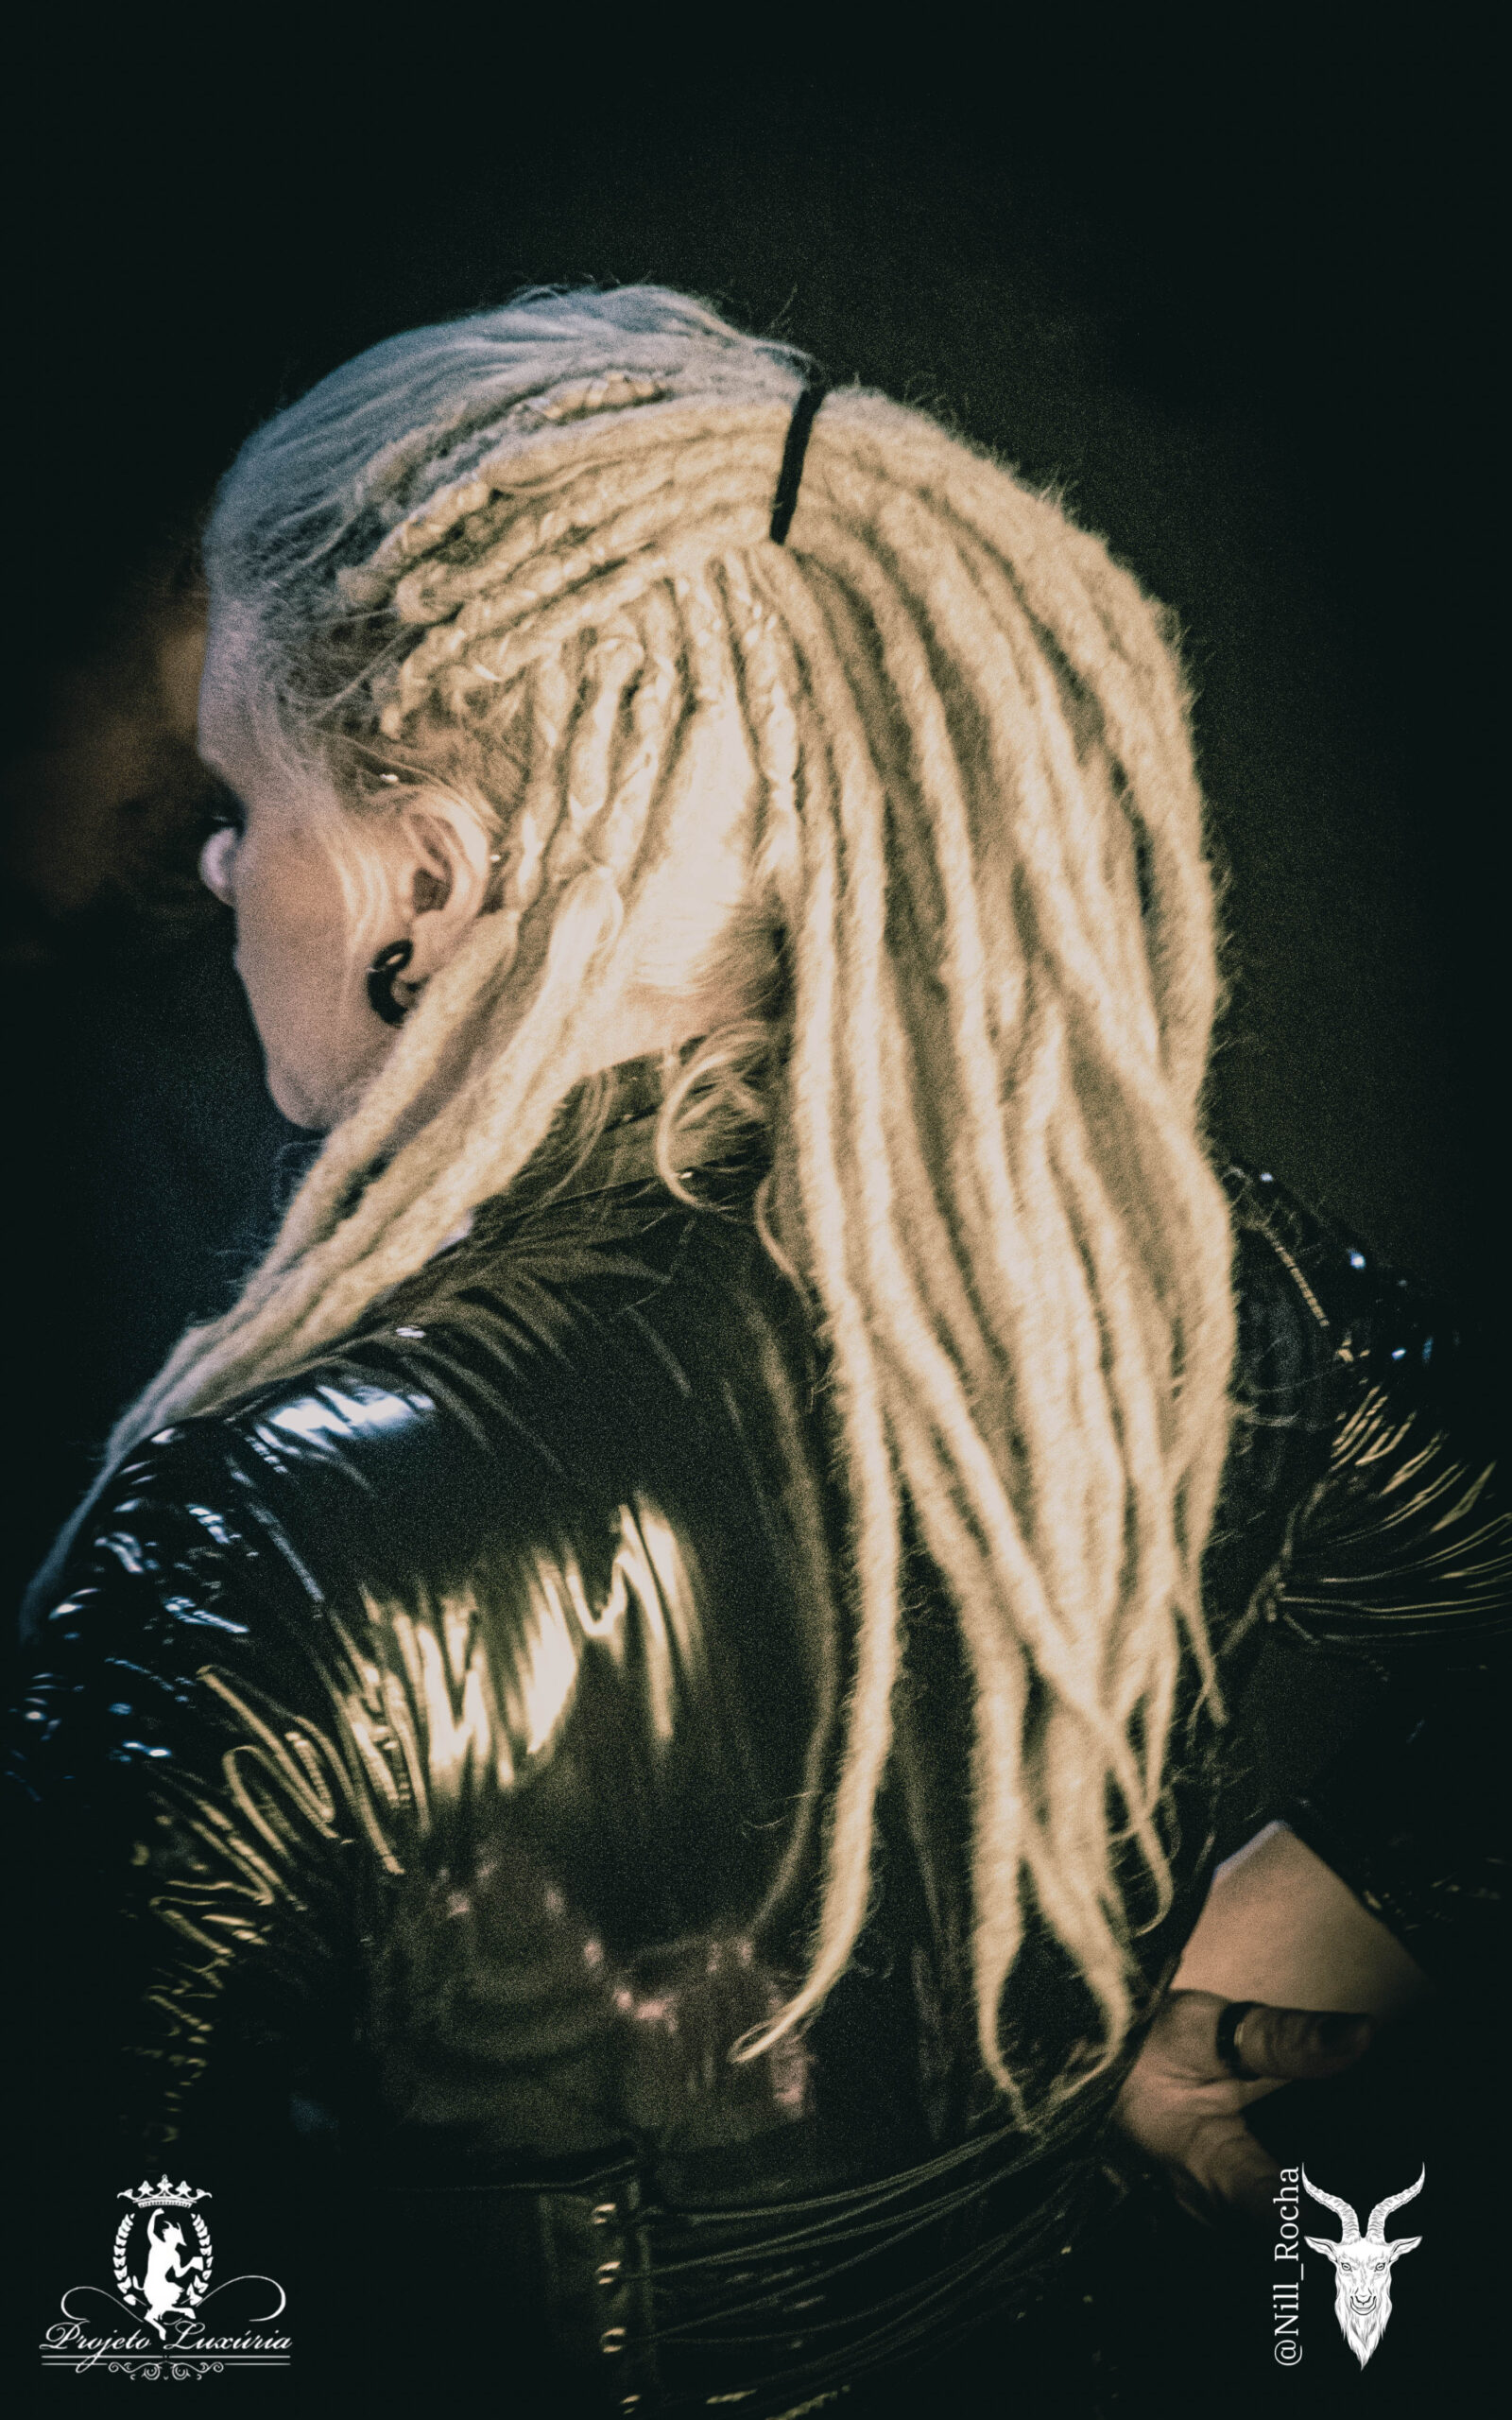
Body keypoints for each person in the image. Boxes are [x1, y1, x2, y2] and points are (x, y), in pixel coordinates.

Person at [9, 286, 1506, 2414]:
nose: (223, 862)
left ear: (428, 881)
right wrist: (1294, 1922)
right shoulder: (1168, 1280)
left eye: (243, 792)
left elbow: (97, 2315)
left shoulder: (242, 1547)